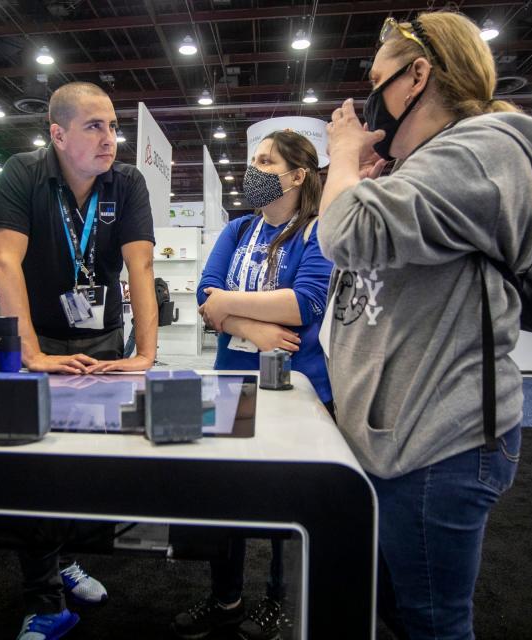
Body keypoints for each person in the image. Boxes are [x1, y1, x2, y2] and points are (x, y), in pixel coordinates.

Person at [317, 11, 532, 639]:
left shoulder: (480, 150)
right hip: (401, 437)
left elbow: (344, 234)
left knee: (432, 623)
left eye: (377, 79)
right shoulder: (432, 161)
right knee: (397, 613)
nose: (367, 98)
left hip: (439, 442)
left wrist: (342, 157)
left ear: (418, 76)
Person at [0, 81, 158, 640]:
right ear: (57, 134)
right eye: (94, 126)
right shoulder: (21, 172)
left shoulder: (126, 183)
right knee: (32, 473)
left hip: (101, 343)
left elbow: (140, 269)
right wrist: (29, 353)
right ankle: (45, 601)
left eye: (112, 125)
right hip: (37, 342)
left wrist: (146, 353)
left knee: (89, 467)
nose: (110, 138)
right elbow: (4, 261)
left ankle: (63, 557)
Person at [171, 130, 333, 640]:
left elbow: (305, 303)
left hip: (298, 390)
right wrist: (252, 327)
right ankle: (227, 599)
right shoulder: (239, 228)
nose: (254, 169)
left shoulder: (317, 231)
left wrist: (225, 307)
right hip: (232, 381)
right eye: (254, 160)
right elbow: (204, 292)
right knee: (226, 499)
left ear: (297, 175)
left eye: (265, 161)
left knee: (292, 505)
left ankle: (281, 600)